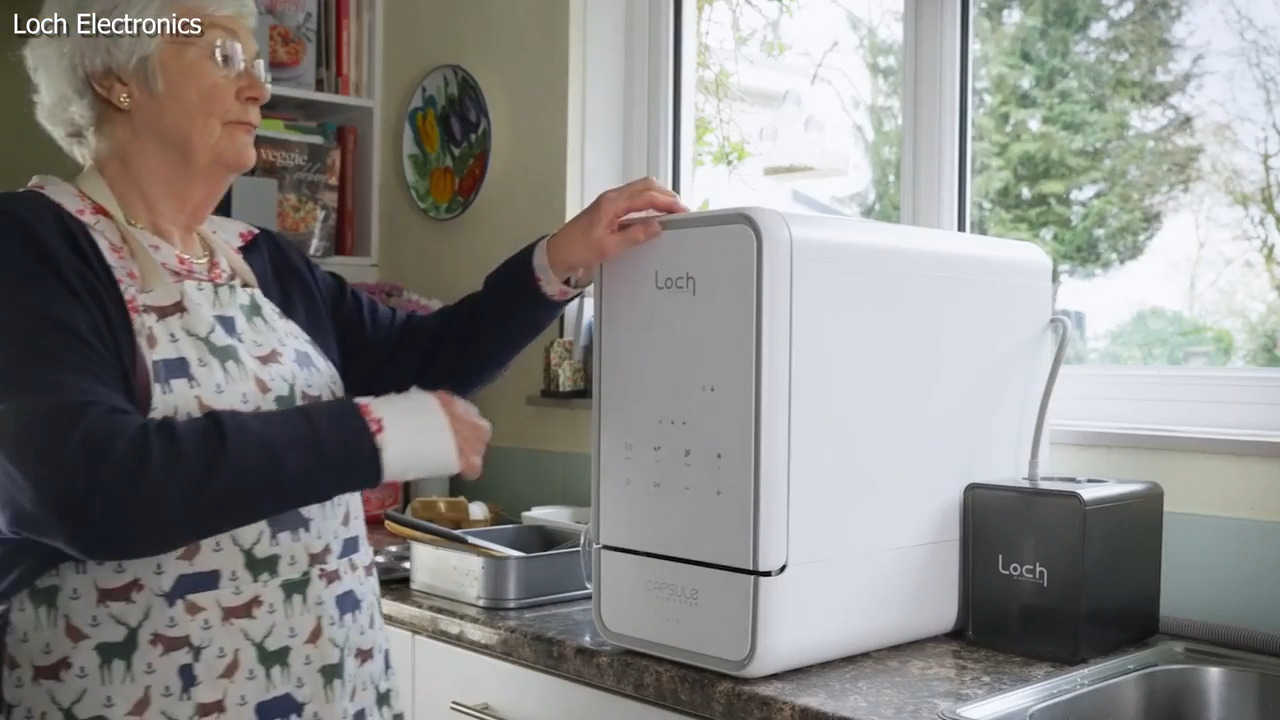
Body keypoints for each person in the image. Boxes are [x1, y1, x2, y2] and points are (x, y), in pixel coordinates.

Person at [0, 0, 686, 716]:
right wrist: (374, 434)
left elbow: (425, 358)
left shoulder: (263, 260)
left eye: (257, 63)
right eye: (224, 56)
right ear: (117, 75)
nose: (259, 89)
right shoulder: (32, 247)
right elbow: (87, 486)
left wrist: (564, 258)